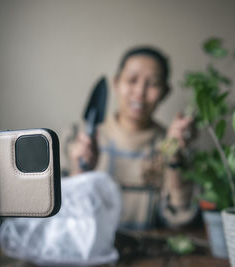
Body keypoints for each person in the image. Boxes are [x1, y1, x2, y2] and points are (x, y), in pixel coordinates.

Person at [61, 46, 197, 230]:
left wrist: (175, 156)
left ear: (165, 92)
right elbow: (59, 215)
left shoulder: (170, 145)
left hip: (145, 253)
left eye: (153, 84)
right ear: (116, 83)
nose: (140, 91)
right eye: (132, 80)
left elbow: (178, 220)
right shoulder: (77, 138)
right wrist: (80, 170)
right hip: (86, 252)